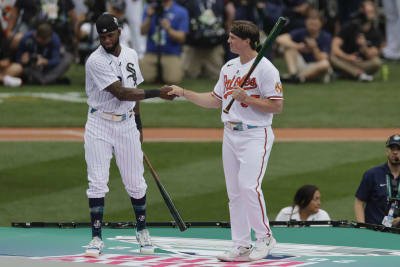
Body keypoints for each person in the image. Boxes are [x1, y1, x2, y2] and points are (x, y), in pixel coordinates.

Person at [168, 20, 283, 262]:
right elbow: (214, 99)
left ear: (247, 40)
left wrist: (248, 98)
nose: (228, 41)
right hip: (230, 134)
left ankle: (265, 238)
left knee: (248, 186)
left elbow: (276, 105)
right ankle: (241, 245)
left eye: (232, 38)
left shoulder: (265, 68)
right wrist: (184, 93)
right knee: (234, 193)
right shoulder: (229, 67)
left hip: (255, 134)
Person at [83, 13, 174, 258]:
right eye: (102, 36)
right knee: (98, 181)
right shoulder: (95, 61)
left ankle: (142, 230)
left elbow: (134, 92)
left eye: (110, 35)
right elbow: (121, 93)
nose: (106, 40)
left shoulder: (131, 55)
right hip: (99, 124)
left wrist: (139, 125)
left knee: (135, 182)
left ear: (119, 32)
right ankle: (96, 237)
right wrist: (159, 92)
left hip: (126, 125)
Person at [330, 0, 382, 82]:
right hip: (346, 61)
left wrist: (364, 46)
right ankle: (360, 75)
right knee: (332, 57)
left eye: (371, 12)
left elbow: (372, 55)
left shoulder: (376, 33)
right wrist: (348, 57)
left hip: (362, 63)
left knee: (377, 62)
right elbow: (334, 46)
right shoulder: (349, 26)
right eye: (367, 12)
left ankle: (346, 74)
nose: (369, 14)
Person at [354, 134, 400, 227]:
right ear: (387, 151)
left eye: (398, 149)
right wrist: (362, 227)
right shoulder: (372, 174)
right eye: (392, 148)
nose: (395, 152)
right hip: (374, 232)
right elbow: (359, 203)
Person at [140, 0, 189, 84]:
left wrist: (168, 29)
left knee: (173, 80)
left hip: (171, 54)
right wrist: (149, 17)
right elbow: (142, 32)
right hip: (151, 53)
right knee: (144, 79)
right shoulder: (150, 8)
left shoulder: (181, 11)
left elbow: (182, 38)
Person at [277, 9, 332, 83]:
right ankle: (293, 75)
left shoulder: (326, 36)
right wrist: (297, 46)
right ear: (306, 22)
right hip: (302, 65)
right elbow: (280, 39)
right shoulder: (301, 32)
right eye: (310, 24)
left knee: (325, 64)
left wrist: (314, 48)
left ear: (321, 24)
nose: (312, 27)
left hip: (316, 67)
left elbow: (323, 58)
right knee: (289, 48)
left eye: (315, 25)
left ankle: (297, 78)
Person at [0, 20, 23, 87]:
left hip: (1, 70)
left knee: (17, 67)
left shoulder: (4, 41)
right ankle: (4, 80)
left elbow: (6, 62)